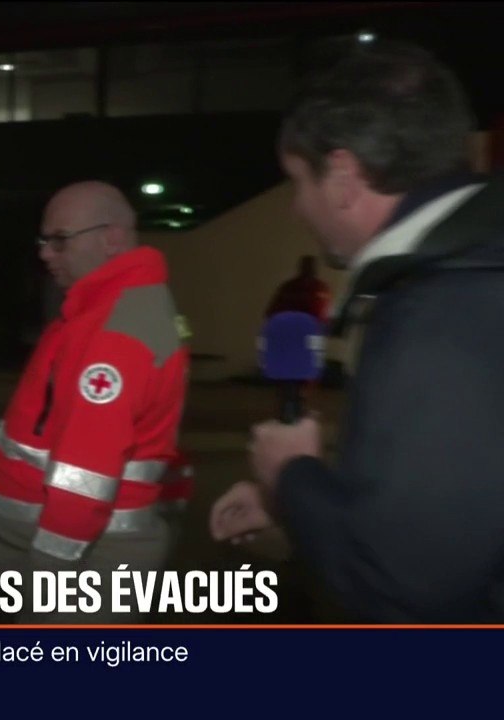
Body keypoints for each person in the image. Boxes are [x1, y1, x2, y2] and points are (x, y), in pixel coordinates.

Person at [212, 40, 504, 622]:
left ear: (343, 177)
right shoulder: (472, 271)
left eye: (298, 181)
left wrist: (290, 475)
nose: (297, 208)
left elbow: (404, 591)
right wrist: (300, 506)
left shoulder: (438, 313)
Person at [0, 181, 190, 623]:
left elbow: (85, 474)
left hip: (79, 558)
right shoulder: (111, 307)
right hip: (61, 548)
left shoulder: (117, 331)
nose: (45, 253)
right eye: (43, 240)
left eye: (60, 240)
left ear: (111, 238)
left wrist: (47, 575)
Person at [265, 255, 332, 321]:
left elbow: (326, 314)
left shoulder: (321, 288)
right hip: (291, 325)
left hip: (311, 327)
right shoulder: (289, 287)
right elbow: (272, 311)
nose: (308, 269)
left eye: (310, 266)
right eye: (306, 266)